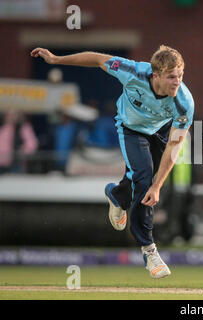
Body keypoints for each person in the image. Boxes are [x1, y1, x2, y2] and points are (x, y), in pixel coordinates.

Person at [31, 45, 194, 279]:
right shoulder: (133, 71)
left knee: (151, 185)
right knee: (144, 178)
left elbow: (175, 146)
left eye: (180, 76)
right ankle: (149, 250)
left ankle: (117, 196)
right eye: (171, 77)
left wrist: (158, 187)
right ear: (155, 75)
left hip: (160, 132)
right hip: (131, 129)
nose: (177, 82)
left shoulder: (184, 102)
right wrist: (57, 59)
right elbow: (97, 59)